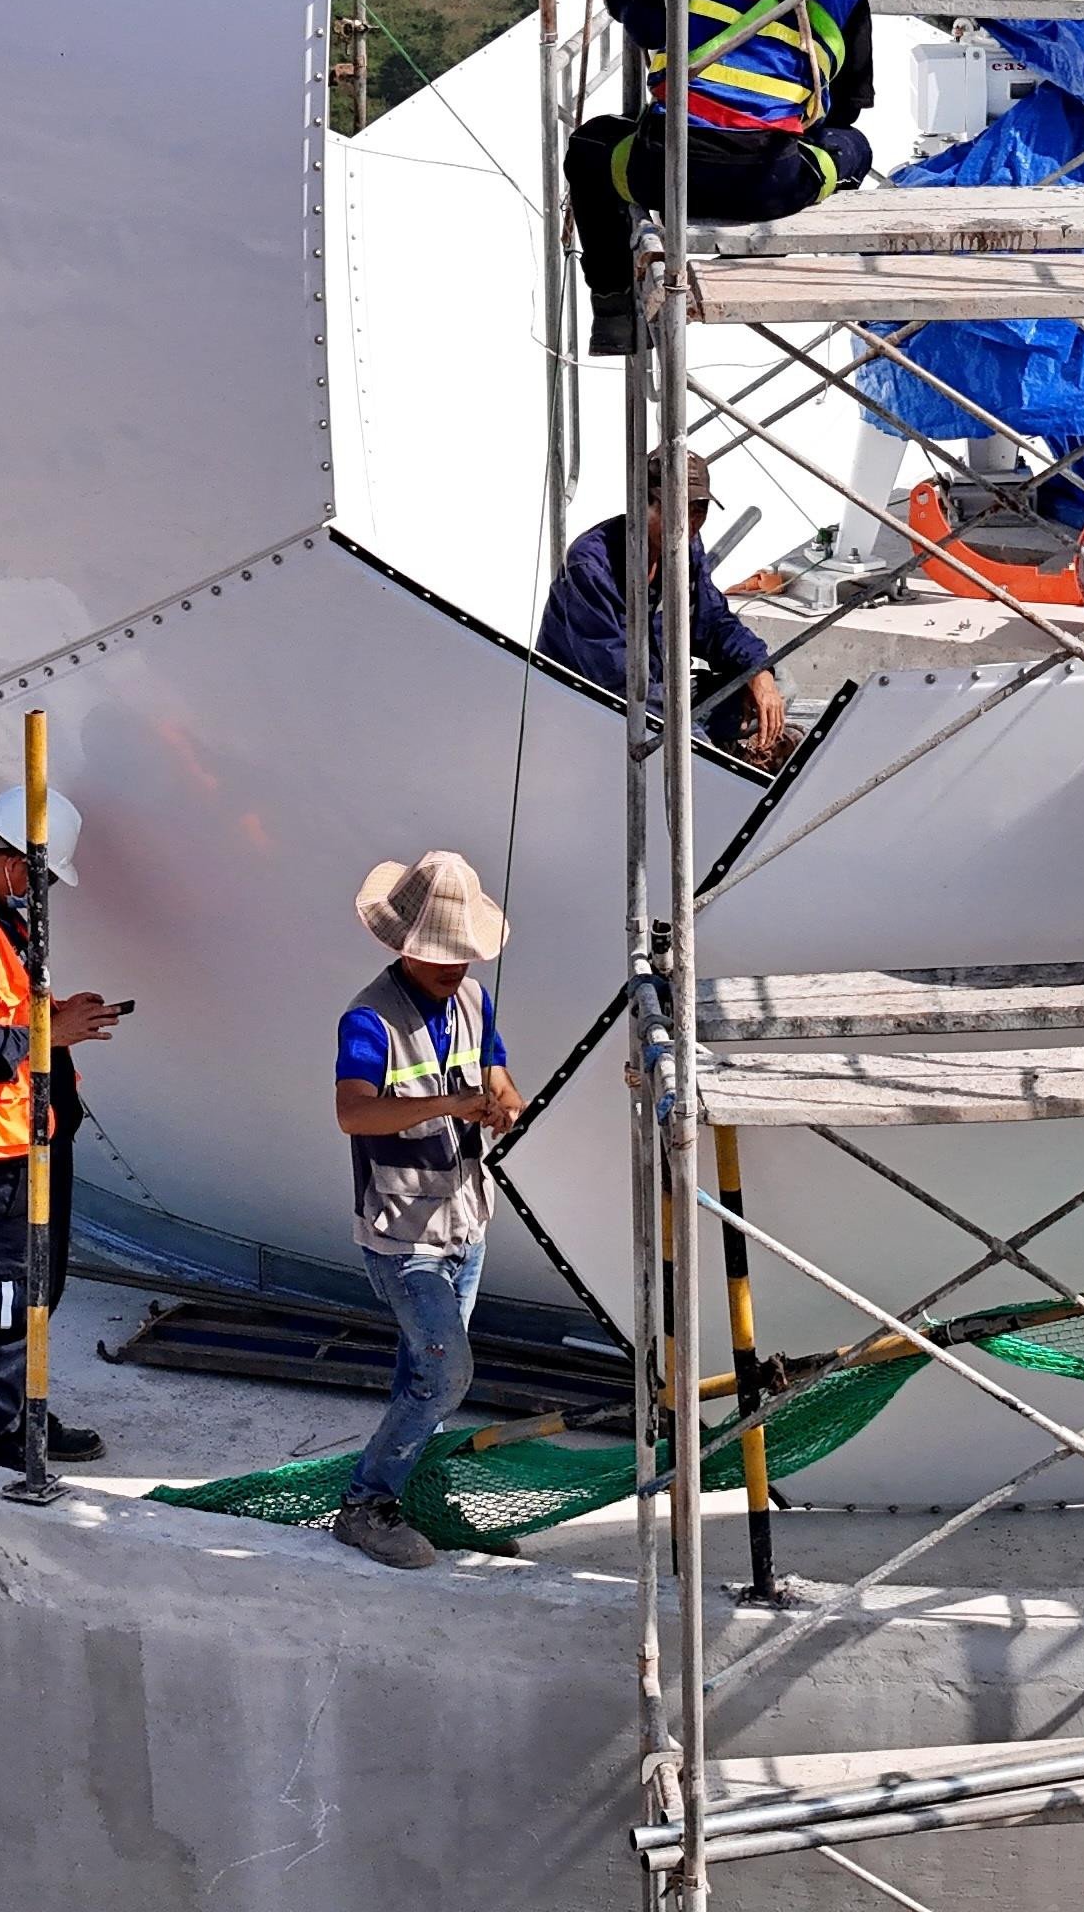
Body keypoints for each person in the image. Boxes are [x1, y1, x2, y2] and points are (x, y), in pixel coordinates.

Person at [564, 0, 878, 359]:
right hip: (771, 186)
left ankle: (613, 306)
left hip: (662, 176)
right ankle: (802, 260)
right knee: (853, 146)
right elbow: (846, 109)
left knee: (589, 146)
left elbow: (648, 28)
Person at [0, 789, 130, 1469]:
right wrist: (53, 1033)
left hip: (33, 1130)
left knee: (39, 1287)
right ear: (16, 864)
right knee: (9, 1295)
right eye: (42, 878)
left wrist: (59, 1012)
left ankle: (20, 1407)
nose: (42, 893)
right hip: (2, 1143)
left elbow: (3, 1010)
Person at [329, 850, 526, 1570]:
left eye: (462, 953)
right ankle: (364, 1506)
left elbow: (498, 1077)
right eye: (440, 953)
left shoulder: (474, 1001)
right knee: (444, 1376)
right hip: (403, 1234)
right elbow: (353, 1113)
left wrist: (504, 1105)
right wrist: (449, 1103)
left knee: (424, 1376)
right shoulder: (368, 1019)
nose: (454, 966)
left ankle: (413, 1498)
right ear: (404, 945)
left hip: (466, 1222)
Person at [536, 448, 793, 766]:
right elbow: (618, 681)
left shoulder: (685, 546)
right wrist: (693, 740)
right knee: (670, 720)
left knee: (778, 681)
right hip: (596, 707)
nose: (691, 522)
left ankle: (710, 745)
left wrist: (757, 671)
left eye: (699, 510)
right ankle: (711, 755)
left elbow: (714, 622)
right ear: (642, 505)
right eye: (679, 510)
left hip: (659, 693)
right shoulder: (591, 564)